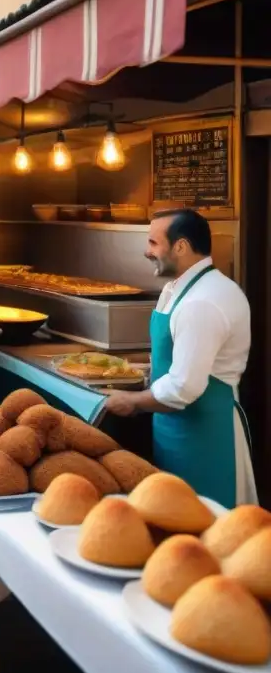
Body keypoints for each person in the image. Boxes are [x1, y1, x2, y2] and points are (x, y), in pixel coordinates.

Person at [104, 210, 256, 508]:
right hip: (173, 428)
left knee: (206, 527)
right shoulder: (176, 289)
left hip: (206, 435)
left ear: (181, 246)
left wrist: (132, 402)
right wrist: (143, 373)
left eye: (153, 243)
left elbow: (184, 386)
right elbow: (176, 357)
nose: (147, 252)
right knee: (173, 518)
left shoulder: (203, 301)